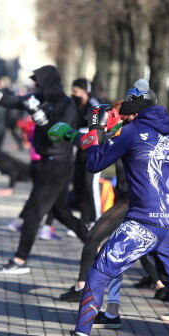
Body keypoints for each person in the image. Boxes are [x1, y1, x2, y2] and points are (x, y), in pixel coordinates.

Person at [48, 79, 169, 336]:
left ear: (134, 107)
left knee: (99, 272)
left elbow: (95, 162)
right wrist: (79, 135)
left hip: (143, 222)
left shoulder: (132, 131)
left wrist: (96, 127)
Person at [0, 65, 88, 274]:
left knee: (33, 212)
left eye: (39, 82)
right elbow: (15, 101)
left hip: (57, 164)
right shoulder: (41, 98)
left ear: (49, 82)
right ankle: (93, 243)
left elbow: (56, 132)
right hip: (46, 162)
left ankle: (20, 260)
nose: (36, 86)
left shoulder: (65, 104)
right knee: (60, 212)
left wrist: (38, 114)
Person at [70, 79, 102, 227]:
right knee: (79, 185)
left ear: (85, 92)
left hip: (94, 153)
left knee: (90, 186)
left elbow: (98, 131)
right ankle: (83, 220)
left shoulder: (94, 107)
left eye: (76, 91)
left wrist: (77, 134)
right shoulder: (73, 105)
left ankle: (95, 219)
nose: (73, 94)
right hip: (79, 152)